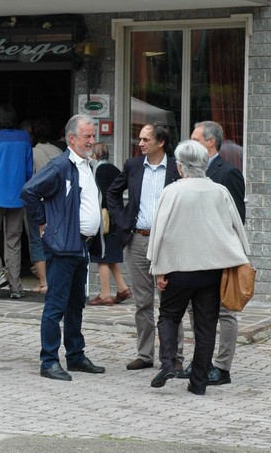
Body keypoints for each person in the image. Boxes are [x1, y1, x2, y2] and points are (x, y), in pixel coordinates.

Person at [147, 140, 250, 395]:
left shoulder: (172, 191)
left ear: (181, 166)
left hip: (178, 269)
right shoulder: (219, 191)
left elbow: (158, 232)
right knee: (206, 325)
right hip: (212, 270)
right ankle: (199, 383)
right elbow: (237, 226)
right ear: (204, 164)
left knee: (169, 316)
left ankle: (169, 363)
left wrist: (157, 268)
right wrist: (243, 257)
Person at [21, 114, 106, 381]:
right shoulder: (60, 165)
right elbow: (29, 192)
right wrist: (43, 222)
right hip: (64, 247)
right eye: (87, 137)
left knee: (76, 304)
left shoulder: (88, 165)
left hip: (83, 245)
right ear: (72, 139)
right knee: (56, 305)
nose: (92, 141)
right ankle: (48, 361)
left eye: (93, 136)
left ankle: (75, 356)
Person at [105, 122, 184, 372]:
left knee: (172, 302)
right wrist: (121, 219)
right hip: (138, 240)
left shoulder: (176, 168)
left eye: (145, 140)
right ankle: (145, 354)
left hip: (168, 242)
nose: (140, 143)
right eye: (139, 139)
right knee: (143, 302)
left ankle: (175, 357)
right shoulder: (133, 166)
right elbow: (112, 193)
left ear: (160, 143)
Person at [187, 120, 247, 386]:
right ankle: (201, 359)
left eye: (195, 139)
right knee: (196, 311)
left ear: (210, 142)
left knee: (225, 312)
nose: (190, 144)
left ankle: (222, 367)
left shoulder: (228, 173)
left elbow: (236, 219)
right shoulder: (188, 173)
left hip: (221, 255)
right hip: (194, 254)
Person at [0, 104, 33, 299]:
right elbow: (29, 170)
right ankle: (16, 288)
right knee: (14, 241)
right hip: (18, 196)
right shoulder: (24, 137)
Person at [87, 142, 131, 306]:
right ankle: (122, 288)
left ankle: (105, 294)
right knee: (110, 255)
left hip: (104, 218)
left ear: (95, 155)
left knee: (102, 256)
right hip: (116, 217)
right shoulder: (114, 169)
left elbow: (99, 196)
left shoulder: (97, 171)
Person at [27, 119, 63, 293]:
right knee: (55, 240)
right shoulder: (58, 151)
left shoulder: (33, 152)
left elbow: (31, 178)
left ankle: (44, 282)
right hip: (57, 203)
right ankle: (55, 279)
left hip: (39, 201)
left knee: (36, 240)